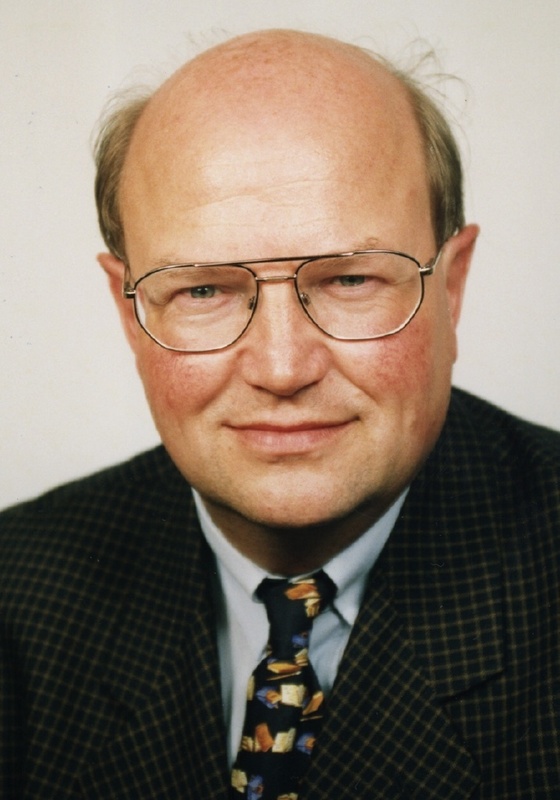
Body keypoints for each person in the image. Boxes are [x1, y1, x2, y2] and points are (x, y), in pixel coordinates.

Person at [1, 28, 559, 800]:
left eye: (351, 280)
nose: (282, 368)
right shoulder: (17, 593)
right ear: (129, 313)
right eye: (203, 290)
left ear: (451, 288)